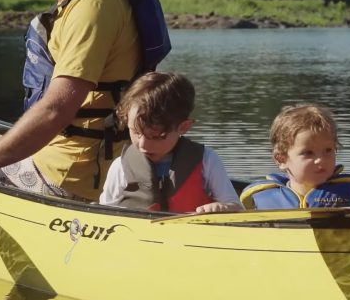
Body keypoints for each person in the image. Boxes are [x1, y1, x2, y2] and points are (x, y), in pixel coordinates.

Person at [0, 0, 149, 202]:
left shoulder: (93, 4)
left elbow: (56, 109)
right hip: (91, 165)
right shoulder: (93, 1)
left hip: (68, 173)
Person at [99, 72, 243, 213]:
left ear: (183, 127)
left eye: (155, 137)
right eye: (136, 132)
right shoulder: (120, 167)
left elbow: (236, 208)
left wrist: (223, 208)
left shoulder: (207, 160)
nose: (142, 144)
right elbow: (103, 214)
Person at [240, 104, 350, 209]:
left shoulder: (346, 198)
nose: (321, 159)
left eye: (328, 150)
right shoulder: (264, 199)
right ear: (281, 160)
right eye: (308, 153)